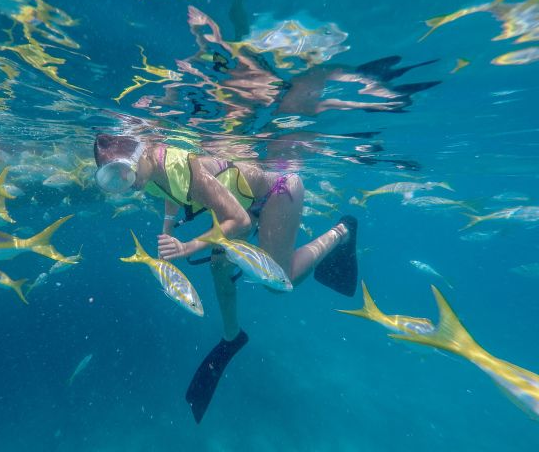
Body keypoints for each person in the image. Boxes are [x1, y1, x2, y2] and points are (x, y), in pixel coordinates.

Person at [94, 133, 358, 423]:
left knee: (280, 282)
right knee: (219, 267)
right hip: (239, 200)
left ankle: (342, 231)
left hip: (276, 193)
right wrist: (167, 229)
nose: (126, 181)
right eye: (113, 178)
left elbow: (240, 221)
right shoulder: (145, 173)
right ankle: (232, 337)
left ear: (142, 153)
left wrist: (188, 247)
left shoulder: (181, 165)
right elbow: (170, 193)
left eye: (125, 171)